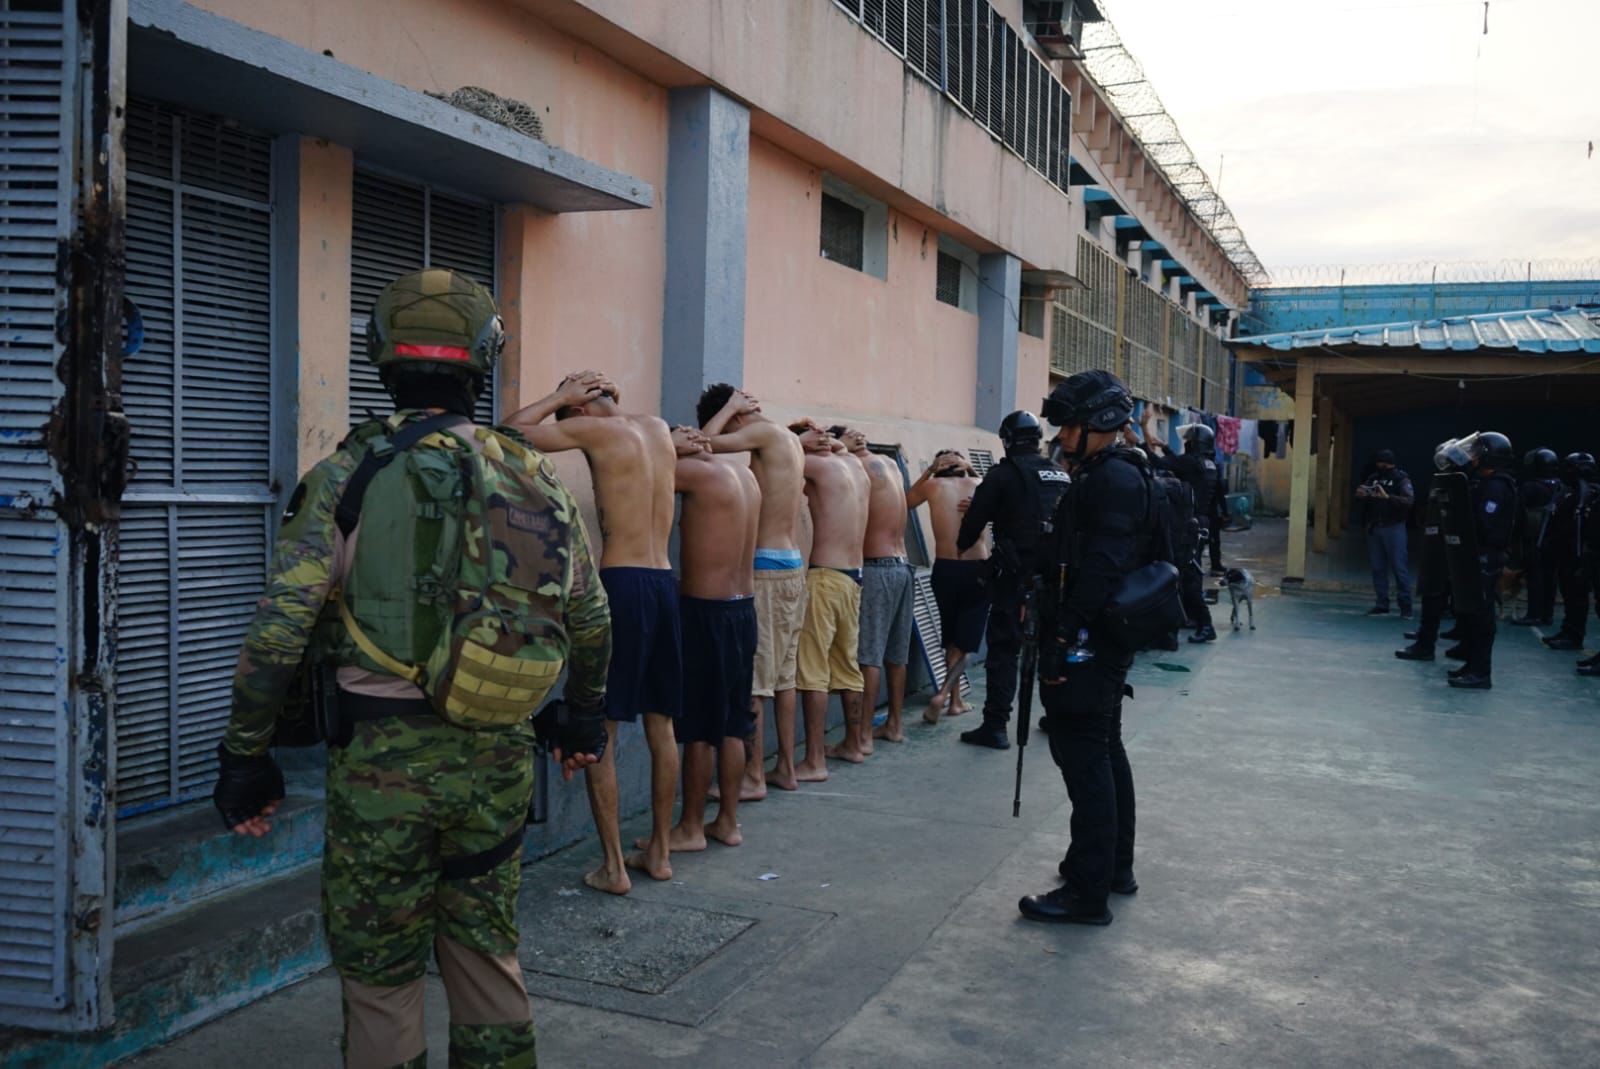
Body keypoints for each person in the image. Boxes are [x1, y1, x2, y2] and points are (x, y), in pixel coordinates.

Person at [211, 268, 609, 1067]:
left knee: (382, 977)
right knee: (486, 955)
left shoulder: (346, 478)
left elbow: (281, 627)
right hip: (498, 759)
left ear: (382, 359)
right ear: (483, 364)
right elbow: (590, 615)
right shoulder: (531, 474)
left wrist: (245, 754)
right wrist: (581, 713)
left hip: (379, 770)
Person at [506, 370, 682, 891]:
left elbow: (504, 436)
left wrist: (559, 396)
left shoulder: (596, 431)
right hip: (663, 583)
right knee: (661, 725)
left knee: (599, 724)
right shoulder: (657, 429)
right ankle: (662, 853)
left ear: (579, 412)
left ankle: (614, 867)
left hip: (623, 584)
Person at [1020, 369, 1154, 925]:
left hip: (1090, 642)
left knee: (1085, 762)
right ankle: (1108, 867)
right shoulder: (1110, 471)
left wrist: (1062, 633)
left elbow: (1100, 567)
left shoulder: (1113, 479)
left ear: (1097, 422)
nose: (1061, 436)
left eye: (1070, 425)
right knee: (1102, 752)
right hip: (1097, 637)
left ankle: (1086, 891)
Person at [699, 385, 809, 794]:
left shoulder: (761, 433)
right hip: (791, 565)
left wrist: (728, 407)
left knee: (756, 681)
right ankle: (785, 768)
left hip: (766, 568)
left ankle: (753, 776)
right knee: (783, 678)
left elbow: (704, 442)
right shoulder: (787, 438)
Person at [662, 426, 761, 851]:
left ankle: (690, 828)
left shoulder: (692, 474)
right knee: (734, 724)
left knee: (701, 728)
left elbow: (635, 463)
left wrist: (668, 445)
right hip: (742, 609)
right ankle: (728, 822)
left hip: (707, 612)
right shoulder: (745, 476)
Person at [954, 411, 1070, 749]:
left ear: (1007, 439)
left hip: (1016, 577)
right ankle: (1055, 717)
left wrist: (963, 546)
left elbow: (975, 520)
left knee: (1004, 650)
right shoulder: (1060, 475)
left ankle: (995, 726)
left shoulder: (1003, 475)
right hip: (1057, 579)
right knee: (1051, 645)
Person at [790, 423, 872, 770]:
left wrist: (797, 441)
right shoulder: (856, 466)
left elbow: (775, 455)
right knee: (847, 667)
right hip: (853, 577)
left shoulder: (815, 465)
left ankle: (814, 760)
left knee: (813, 672)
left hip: (825, 576)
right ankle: (853, 745)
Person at [833, 426, 916, 748]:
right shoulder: (888, 463)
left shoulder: (856, 467)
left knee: (868, 656)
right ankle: (894, 724)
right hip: (901, 566)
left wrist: (838, 449)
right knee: (896, 655)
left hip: (877, 567)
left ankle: (863, 735)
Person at [906, 450, 989, 721]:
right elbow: (999, 491)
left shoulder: (932, 486)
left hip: (945, 570)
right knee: (964, 644)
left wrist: (930, 471)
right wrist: (969, 468)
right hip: (976, 568)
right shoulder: (979, 485)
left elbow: (906, 501)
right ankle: (942, 694)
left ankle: (955, 701)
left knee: (951, 638)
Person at [1442, 432, 1517, 690]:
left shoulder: (1496, 485)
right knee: (1473, 612)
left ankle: (1480, 672)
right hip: (1477, 554)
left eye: (1477, 452)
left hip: (1487, 555)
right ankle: (1472, 665)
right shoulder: (1483, 481)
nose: (1472, 456)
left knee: (1482, 616)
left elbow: (1486, 525)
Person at [1142, 414, 1227, 578]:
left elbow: (1159, 462)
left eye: (1189, 441)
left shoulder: (1191, 462)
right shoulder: (1209, 464)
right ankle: (1194, 596)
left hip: (1187, 521)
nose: (1186, 444)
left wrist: (1140, 444)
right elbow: (1179, 463)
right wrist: (1165, 447)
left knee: (1184, 563)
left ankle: (1187, 598)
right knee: (1194, 561)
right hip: (1202, 519)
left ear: (1195, 444)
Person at [1542, 452, 1599, 652]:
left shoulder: (1588, 494)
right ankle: (1569, 631)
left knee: (1577, 597)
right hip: (1567, 552)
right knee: (1569, 595)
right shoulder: (1569, 493)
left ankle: (1573, 635)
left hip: (1580, 554)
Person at [1355, 449, 1416, 618]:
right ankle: (1382, 604)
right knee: (1378, 568)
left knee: (1399, 567)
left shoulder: (1401, 479)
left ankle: (1406, 607)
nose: (1381, 467)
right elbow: (1364, 498)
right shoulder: (1374, 478)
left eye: (1384, 464)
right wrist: (1362, 494)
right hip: (1375, 527)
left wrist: (1388, 497)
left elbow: (1409, 501)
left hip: (1393, 526)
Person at [1510, 448, 1561, 627]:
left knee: (1535, 576)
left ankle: (1533, 614)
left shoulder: (1530, 486)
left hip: (1534, 538)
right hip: (1555, 539)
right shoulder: (1560, 484)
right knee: (1550, 576)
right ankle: (1547, 614)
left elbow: (1518, 512)